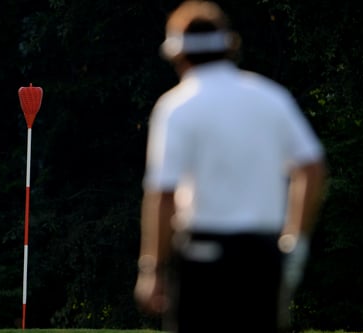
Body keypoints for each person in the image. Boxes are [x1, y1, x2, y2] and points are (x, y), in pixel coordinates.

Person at [133, 1, 327, 332]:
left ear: (179, 55)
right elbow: (312, 167)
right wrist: (296, 243)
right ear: (229, 46)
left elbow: (163, 194)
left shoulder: (176, 106)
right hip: (263, 255)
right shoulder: (271, 97)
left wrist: (152, 270)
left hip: (201, 255)